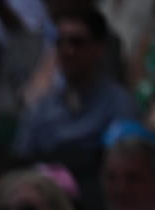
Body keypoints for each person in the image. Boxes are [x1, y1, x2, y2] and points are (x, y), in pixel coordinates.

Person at [14, 11, 140, 160]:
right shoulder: (42, 108)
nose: (67, 50)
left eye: (77, 42)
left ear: (99, 48)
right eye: (60, 42)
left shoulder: (119, 105)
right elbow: (20, 159)